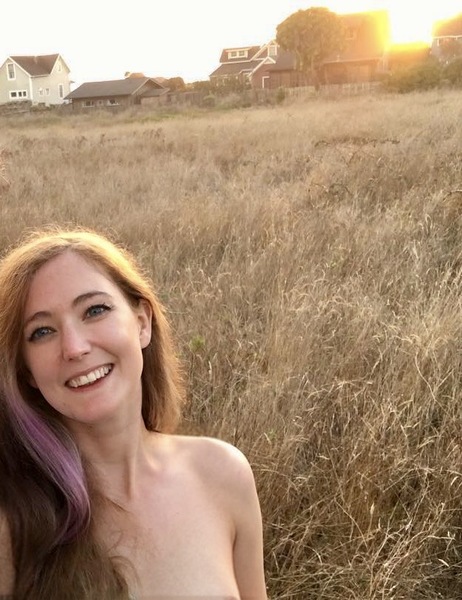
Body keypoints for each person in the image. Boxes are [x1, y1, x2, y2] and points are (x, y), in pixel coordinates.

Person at [0, 227, 267, 600]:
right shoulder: (15, 522)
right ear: (26, 371)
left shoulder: (222, 474)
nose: (75, 348)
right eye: (42, 331)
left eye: (95, 310)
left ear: (142, 322)